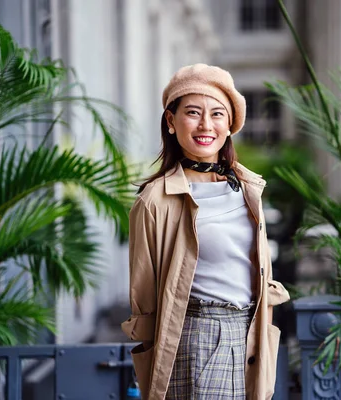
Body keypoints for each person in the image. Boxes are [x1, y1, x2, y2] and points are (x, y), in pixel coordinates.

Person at [122, 64, 290, 400]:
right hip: (197, 335)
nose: (205, 125)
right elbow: (144, 300)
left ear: (230, 125)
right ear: (171, 122)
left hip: (252, 333)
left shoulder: (249, 189)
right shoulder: (155, 201)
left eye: (217, 114)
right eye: (193, 113)